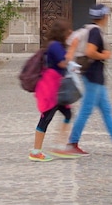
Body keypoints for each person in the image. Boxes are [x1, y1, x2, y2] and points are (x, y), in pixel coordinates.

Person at [56, 4, 112, 155]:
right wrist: (105, 55)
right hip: (93, 76)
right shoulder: (95, 32)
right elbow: (90, 52)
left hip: (96, 77)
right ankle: (72, 142)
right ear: (104, 16)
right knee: (86, 110)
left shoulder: (91, 30)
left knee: (106, 110)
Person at [29, 19, 78, 161]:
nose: (70, 32)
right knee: (46, 118)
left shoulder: (58, 45)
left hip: (58, 87)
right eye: (67, 30)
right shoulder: (54, 45)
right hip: (51, 88)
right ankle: (36, 151)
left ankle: (59, 146)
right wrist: (73, 48)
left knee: (68, 114)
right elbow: (63, 62)